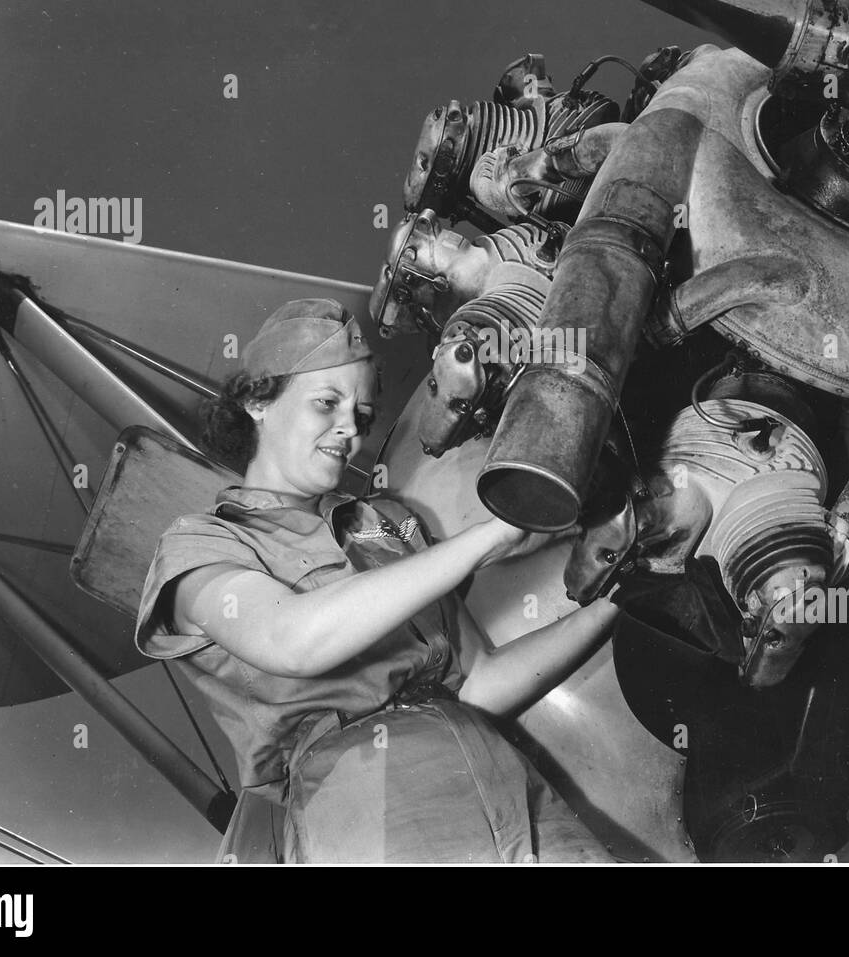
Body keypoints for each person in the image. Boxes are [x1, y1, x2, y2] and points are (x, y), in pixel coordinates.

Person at [134, 299, 619, 863]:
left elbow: (481, 682)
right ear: (257, 400)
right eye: (327, 403)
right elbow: (292, 639)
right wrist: (494, 534)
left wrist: (620, 602)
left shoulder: (386, 522)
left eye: (362, 415)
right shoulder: (200, 545)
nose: (350, 430)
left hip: (503, 776)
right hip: (365, 792)